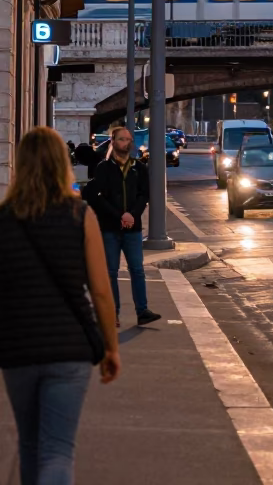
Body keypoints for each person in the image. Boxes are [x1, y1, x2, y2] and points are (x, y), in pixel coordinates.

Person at [0, 127, 120, 485]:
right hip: (69, 349)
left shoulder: (4, 219)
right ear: (61, 165)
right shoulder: (80, 215)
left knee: (30, 443)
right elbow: (100, 290)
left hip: (17, 347)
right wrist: (111, 347)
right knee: (57, 450)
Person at [84, 126, 161, 327]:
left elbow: (144, 195)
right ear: (113, 142)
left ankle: (142, 311)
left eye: (128, 139)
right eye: (121, 139)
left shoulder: (139, 168)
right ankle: (112, 313)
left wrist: (132, 215)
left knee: (137, 270)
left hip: (132, 229)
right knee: (111, 271)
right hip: (110, 228)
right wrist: (120, 215)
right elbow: (96, 196)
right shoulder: (103, 168)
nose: (125, 143)